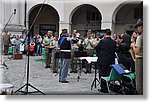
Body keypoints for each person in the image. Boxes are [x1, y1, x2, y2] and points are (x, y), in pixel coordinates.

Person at [95, 29, 116, 93]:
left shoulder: (102, 41)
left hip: (102, 61)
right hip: (110, 61)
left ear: (105, 34)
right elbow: (115, 50)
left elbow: (96, 48)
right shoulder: (114, 42)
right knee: (108, 74)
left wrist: (100, 54)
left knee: (102, 74)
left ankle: (104, 88)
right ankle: (109, 86)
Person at [132, 18, 143, 95]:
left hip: (140, 59)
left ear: (141, 26)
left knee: (139, 81)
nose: (137, 29)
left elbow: (136, 51)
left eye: (138, 27)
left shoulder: (140, 37)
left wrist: (133, 45)